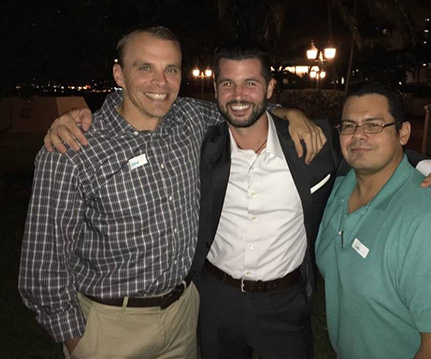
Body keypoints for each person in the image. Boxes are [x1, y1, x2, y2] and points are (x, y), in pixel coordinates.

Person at [41, 40, 431, 358]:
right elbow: (135, 108)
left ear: (270, 88)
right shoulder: (200, 137)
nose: (239, 93)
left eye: (251, 82)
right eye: (227, 83)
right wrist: (81, 117)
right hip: (213, 299)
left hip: (284, 305)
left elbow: (373, 149)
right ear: (215, 90)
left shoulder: (314, 143)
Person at [18, 26, 323, 359]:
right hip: (110, 326)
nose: (160, 82)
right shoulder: (73, 148)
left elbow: (243, 107)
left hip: (184, 316)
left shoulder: (190, 119)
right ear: (119, 73)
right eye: (145, 67)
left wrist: (290, 113)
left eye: (171, 69)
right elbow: (42, 264)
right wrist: (77, 340)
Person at [315, 81, 431, 359]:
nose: (358, 135)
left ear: (403, 133)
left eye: (374, 125)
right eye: (349, 125)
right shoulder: (337, 190)